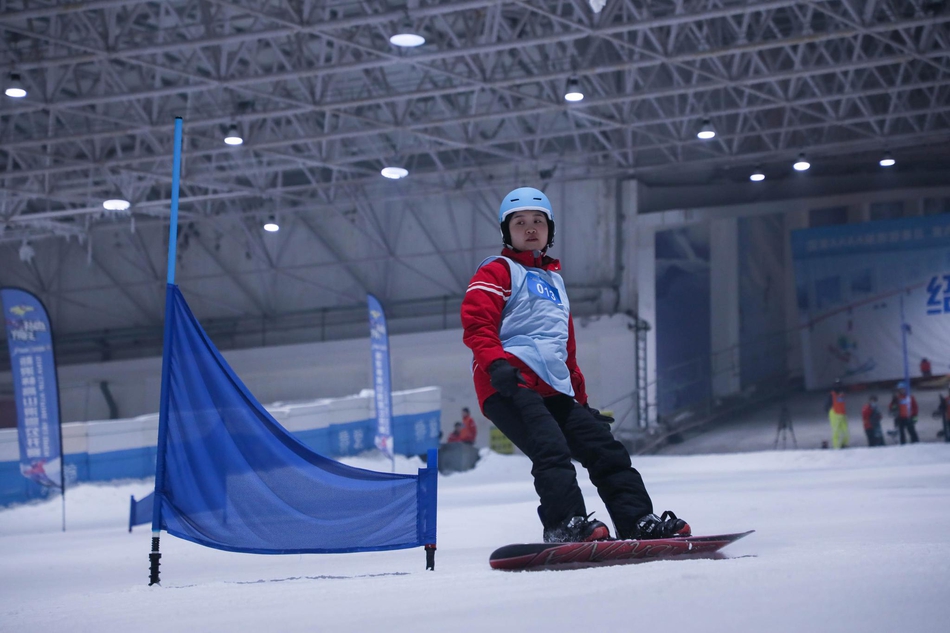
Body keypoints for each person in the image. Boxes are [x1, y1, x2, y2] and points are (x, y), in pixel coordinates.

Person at [461, 186, 690, 544]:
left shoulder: (554, 282)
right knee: (549, 447)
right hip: (509, 382)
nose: (531, 228)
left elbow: (564, 350)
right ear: (507, 232)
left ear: (549, 230)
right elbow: (477, 325)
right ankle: (564, 524)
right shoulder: (497, 271)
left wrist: (582, 404)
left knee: (604, 447)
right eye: (520, 222)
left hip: (553, 387)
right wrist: (496, 365)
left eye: (538, 221)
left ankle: (636, 520)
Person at [824, 379, 850, 449]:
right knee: (836, 431)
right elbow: (827, 405)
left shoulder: (842, 394)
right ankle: (836, 446)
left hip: (842, 414)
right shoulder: (832, 395)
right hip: (835, 413)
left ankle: (844, 444)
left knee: (845, 431)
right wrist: (830, 411)